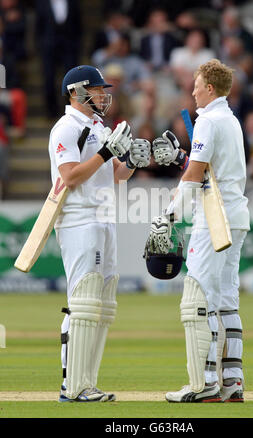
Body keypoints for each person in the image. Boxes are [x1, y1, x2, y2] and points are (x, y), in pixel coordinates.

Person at [148, 59, 250, 402]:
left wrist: (169, 214)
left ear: (210, 88)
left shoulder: (207, 120)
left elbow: (194, 177)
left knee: (198, 298)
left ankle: (204, 383)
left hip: (214, 218)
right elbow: (206, 169)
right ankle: (232, 380)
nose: (191, 91)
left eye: (196, 85)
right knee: (225, 300)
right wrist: (182, 156)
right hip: (236, 216)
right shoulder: (230, 119)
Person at [48, 65, 151, 402]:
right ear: (77, 92)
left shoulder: (97, 126)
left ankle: (86, 384)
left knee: (102, 306)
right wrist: (106, 151)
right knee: (83, 303)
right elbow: (71, 177)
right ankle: (72, 386)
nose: (105, 95)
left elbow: (116, 175)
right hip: (79, 221)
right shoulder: (66, 128)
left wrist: (133, 159)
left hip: (104, 218)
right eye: (97, 89)